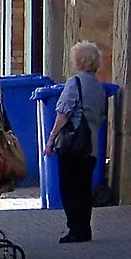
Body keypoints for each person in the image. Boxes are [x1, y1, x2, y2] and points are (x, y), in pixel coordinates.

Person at [49, 40, 105, 244]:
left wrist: (51, 139)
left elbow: (63, 113)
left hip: (72, 146)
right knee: (83, 189)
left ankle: (75, 229)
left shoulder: (75, 83)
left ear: (78, 60)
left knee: (69, 188)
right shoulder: (98, 85)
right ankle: (84, 228)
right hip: (91, 146)